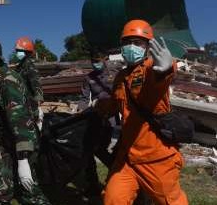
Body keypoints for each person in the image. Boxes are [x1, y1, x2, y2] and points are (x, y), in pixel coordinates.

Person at [99, 19, 188, 205]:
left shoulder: (150, 68)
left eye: (138, 42)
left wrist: (166, 68)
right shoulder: (121, 77)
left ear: (148, 46)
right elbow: (115, 104)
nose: (132, 46)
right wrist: (98, 108)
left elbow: (160, 78)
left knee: (170, 201)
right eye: (127, 42)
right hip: (127, 159)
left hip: (156, 158)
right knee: (113, 199)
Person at [0, 38, 50, 205]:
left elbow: (20, 123)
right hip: (12, 145)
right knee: (29, 193)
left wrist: (23, 161)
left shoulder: (7, 83)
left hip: (22, 147)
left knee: (11, 194)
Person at [77, 49, 116, 198]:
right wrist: (81, 109)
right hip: (95, 116)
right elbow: (83, 97)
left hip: (111, 117)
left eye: (98, 61)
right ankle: (92, 185)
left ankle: (116, 174)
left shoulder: (114, 75)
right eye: (93, 61)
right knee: (88, 151)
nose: (96, 64)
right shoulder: (89, 78)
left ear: (105, 59)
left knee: (100, 149)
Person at [14, 37, 44, 129]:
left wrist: (38, 100)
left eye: (19, 51)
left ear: (27, 52)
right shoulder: (20, 66)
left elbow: (36, 83)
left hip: (30, 104)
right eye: (17, 50)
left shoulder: (29, 66)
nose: (17, 53)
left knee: (32, 128)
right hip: (22, 102)